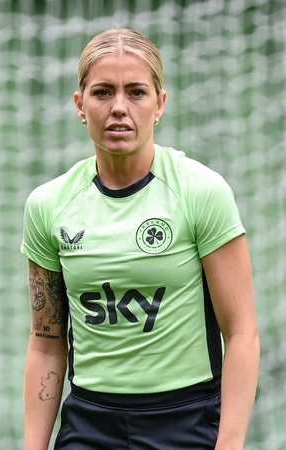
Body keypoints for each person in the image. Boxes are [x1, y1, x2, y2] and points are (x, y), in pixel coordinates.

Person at [21, 28, 259, 450]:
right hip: (89, 424)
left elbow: (241, 333)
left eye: (135, 92)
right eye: (102, 93)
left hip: (186, 422)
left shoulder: (201, 191)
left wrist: (229, 445)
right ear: (79, 105)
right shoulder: (48, 205)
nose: (118, 108)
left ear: (160, 104)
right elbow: (46, 342)